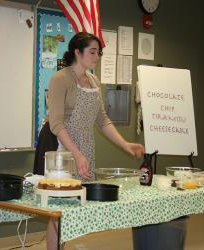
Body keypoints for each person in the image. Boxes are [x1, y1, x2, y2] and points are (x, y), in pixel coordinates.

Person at [45, 32, 145, 250]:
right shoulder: (59, 79)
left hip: (85, 147)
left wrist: (125, 144)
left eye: (98, 52)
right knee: (58, 208)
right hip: (61, 148)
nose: (97, 56)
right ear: (77, 52)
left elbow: (102, 120)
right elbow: (57, 124)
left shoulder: (93, 81)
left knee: (78, 204)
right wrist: (76, 155)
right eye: (92, 51)